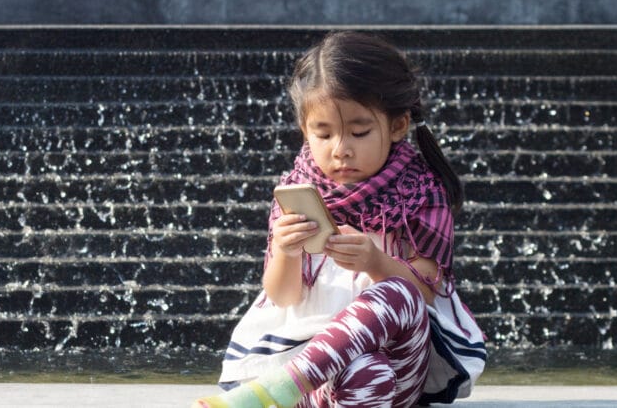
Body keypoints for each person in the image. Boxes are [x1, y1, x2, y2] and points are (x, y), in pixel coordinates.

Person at [194, 31, 485, 408]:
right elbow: (283, 296)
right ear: (304, 130)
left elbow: (425, 291)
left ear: (397, 126)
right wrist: (286, 251)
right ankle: (288, 386)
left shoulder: (423, 193)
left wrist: (375, 262)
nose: (341, 149)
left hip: (401, 363)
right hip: (310, 364)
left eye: (360, 132)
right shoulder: (296, 193)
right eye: (323, 133)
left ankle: (275, 392)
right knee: (366, 372)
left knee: (397, 293)